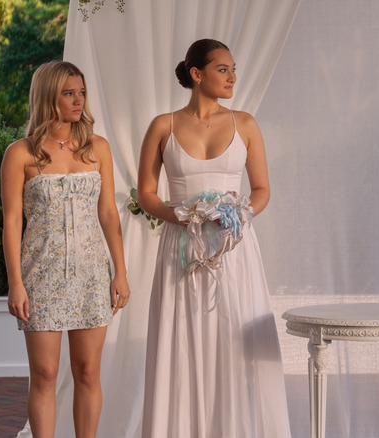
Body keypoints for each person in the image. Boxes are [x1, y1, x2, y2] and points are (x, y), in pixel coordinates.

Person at [138, 39, 291, 437]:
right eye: (223, 69)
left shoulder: (246, 123)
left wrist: (239, 215)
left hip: (234, 249)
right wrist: (183, 215)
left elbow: (261, 189)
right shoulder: (162, 125)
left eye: (233, 69)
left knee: (233, 343)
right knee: (182, 347)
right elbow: (146, 195)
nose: (233, 77)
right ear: (196, 74)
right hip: (182, 249)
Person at [0, 61, 130, 438]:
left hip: (91, 274)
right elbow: (12, 223)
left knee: (88, 372)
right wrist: (15, 282)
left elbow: (108, 214)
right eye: (68, 93)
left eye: (82, 92)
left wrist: (119, 271)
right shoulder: (20, 153)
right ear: (47, 97)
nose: (78, 101)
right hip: (40, 275)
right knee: (45, 375)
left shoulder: (97, 147)